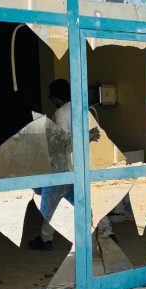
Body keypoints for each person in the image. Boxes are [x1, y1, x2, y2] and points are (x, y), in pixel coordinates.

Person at [29, 79, 112, 251]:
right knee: (89, 200)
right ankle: (107, 232)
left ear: (56, 97)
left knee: (52, 201)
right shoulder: (85, 109)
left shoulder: (62, 113)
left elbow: (63, 142)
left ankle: (45, 239)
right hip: (85, 163)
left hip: (67, 165)